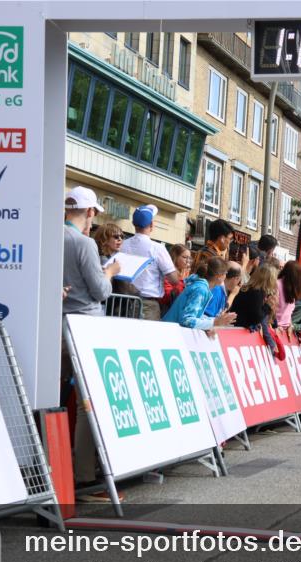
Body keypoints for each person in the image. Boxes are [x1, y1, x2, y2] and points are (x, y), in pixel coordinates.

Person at [61, 186, 121, 500]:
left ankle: (54, 468)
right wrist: (109, 271)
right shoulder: (83, 243)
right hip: (83, 326)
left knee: (54, 399)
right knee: (87, 403)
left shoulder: (48, 235)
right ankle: (84, 474)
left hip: (55, 325)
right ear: (90, 212)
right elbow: (100, 291)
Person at [119, 204, 179, 321]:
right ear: (152, 225)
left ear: (133, 224)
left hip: (124, 303)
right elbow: (174, 279)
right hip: (148, 306)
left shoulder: (123, 245)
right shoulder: (157, 248)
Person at [162, 256, 237, 335]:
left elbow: (195, 316)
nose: (226, 276)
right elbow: (186, 320)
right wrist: (214, 322)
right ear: (219, 276)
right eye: (226, 273)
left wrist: (210, 324)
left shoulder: (201, 287)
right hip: (169, 333)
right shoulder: (201, 290)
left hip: (171, 330)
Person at [229, 263, 281, 357]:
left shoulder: (252, 289)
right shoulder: (256, 292)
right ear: (269, 279)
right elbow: (256, 318)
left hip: (238, 329)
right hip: (239, 332)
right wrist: (268, 306)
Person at [276, 260, 301, 329]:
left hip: (285, 329)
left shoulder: (293, 289)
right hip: (275, 328)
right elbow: (270, 309)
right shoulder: (277, 284)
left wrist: (290, 325)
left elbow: (288, 312)